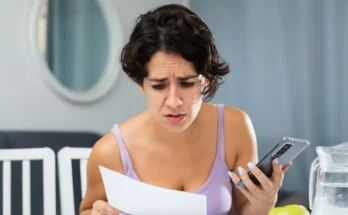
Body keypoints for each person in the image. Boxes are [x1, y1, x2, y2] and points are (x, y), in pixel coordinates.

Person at [79, 4, 291, 215]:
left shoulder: (234, 128)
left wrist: (265, 202)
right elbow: (88, 210)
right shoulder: (110, 152)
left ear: (205, 81)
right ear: (141, 84)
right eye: (159, 86)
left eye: (187, 84)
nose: (173, 101)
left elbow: (244, 209)